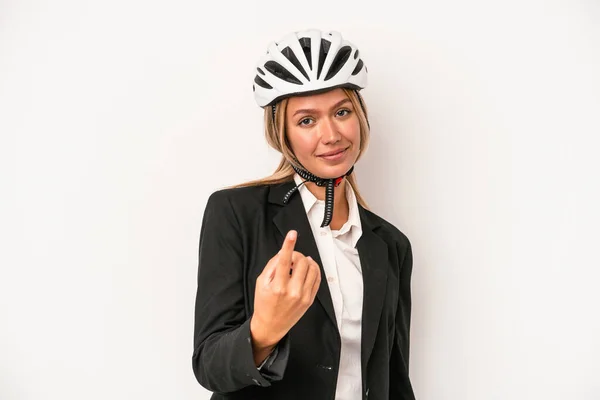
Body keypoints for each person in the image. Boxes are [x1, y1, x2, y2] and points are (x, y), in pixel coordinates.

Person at [192, 29, 416, 400]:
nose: (331, 135)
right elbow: (209, 366)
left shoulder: (391, 245)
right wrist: (264, 329)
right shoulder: (236, 213)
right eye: (307, 121)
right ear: (283, 134)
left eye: (341, 112)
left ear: (359, 118)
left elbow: (393, 379)